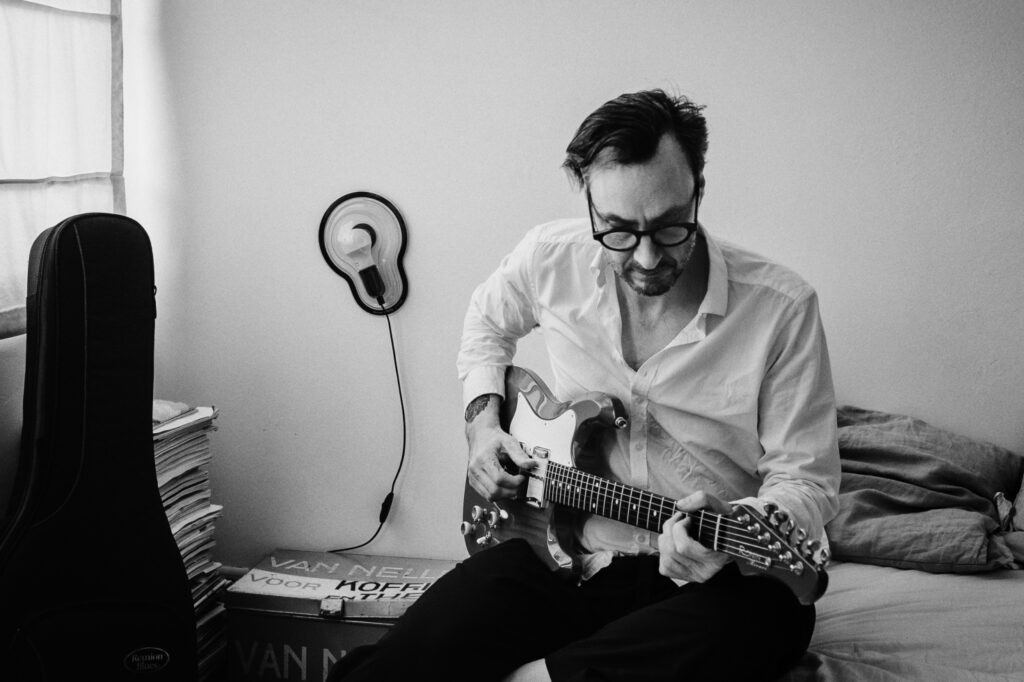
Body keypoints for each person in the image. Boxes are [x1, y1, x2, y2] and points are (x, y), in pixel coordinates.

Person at [329, 88, 841, 682]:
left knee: (776, 617)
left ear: (698, 190)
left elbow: (806, 482)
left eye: (670, 227)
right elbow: (486, 327)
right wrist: (483, 426)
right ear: (588, 200)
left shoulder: (782, 308)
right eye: (618, 230)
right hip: (567, 557)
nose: (646, 257)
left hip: (711, 580)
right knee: (402, 658)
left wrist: (737, 523)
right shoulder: (549, 258)